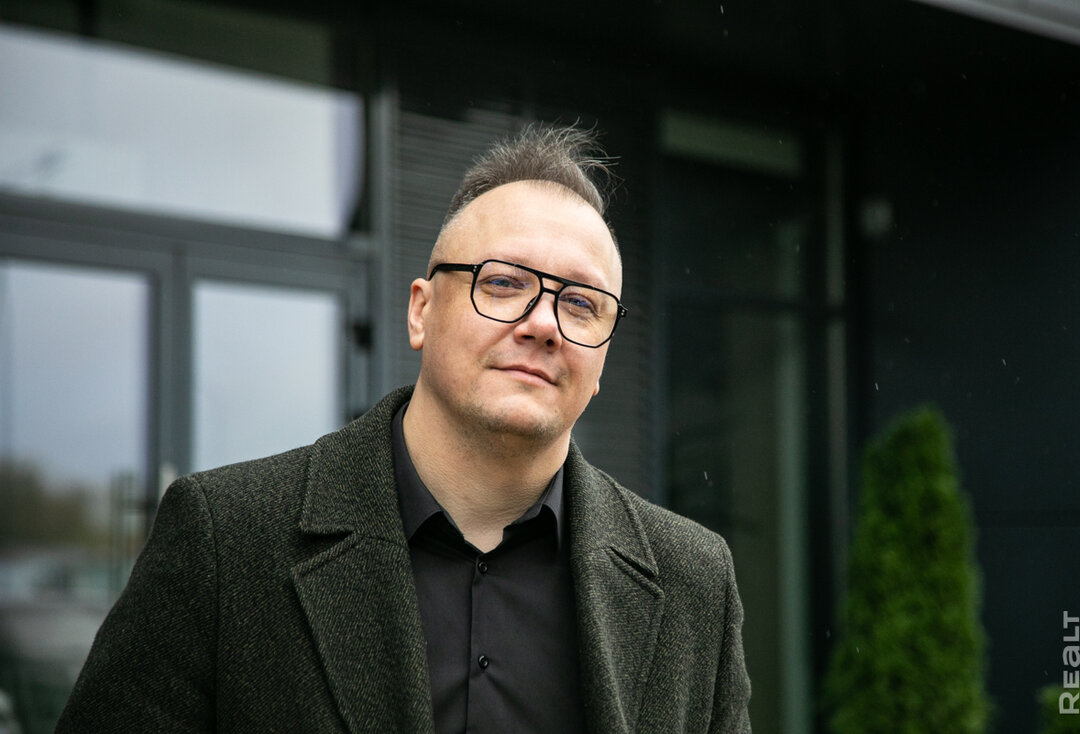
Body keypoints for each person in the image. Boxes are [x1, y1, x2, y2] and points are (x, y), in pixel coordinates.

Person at [57, 124, 751, 733]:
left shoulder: (695, 582)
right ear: (420, 312)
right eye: (503, 282)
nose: (543, 324)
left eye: (581, 302)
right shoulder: (226, 541)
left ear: (602, 361)